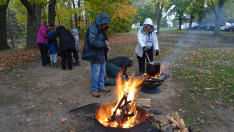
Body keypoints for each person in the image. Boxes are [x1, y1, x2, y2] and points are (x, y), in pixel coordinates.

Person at [82, 13, 111, 97]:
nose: (106, 25)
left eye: (107, 23)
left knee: (102, 71)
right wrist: (104, 45)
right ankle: (94, 89)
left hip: (101, 54)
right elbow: (92, 42)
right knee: (96, 72)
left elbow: (103, 41)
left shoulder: (101, 28)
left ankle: (101, 86)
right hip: (94, 54)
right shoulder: (93, 28)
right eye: (105, 23)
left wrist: (106, 47)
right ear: (101, 22)